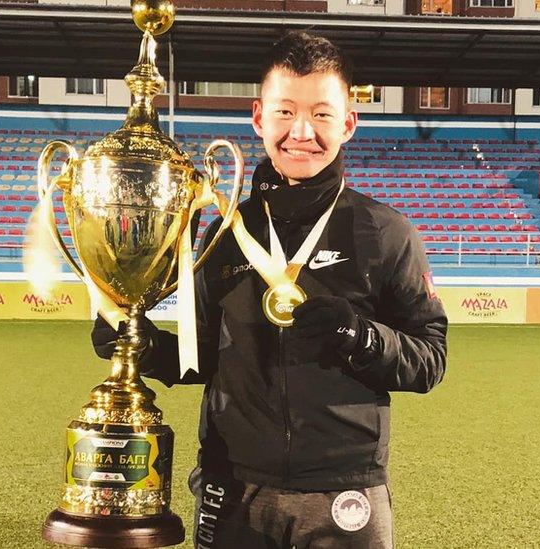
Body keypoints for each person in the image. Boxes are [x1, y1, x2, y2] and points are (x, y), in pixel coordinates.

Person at [92, 31, 447, 549]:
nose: (302, 131)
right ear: (259, 117)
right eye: (286, 112)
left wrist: (361, 336)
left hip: (344, 492)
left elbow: (430, 359)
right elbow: (204, 360)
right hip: (233, 487)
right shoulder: (223, 232)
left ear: (348, 123)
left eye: (322, 114)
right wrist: (142, 347)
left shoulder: (386, 231)